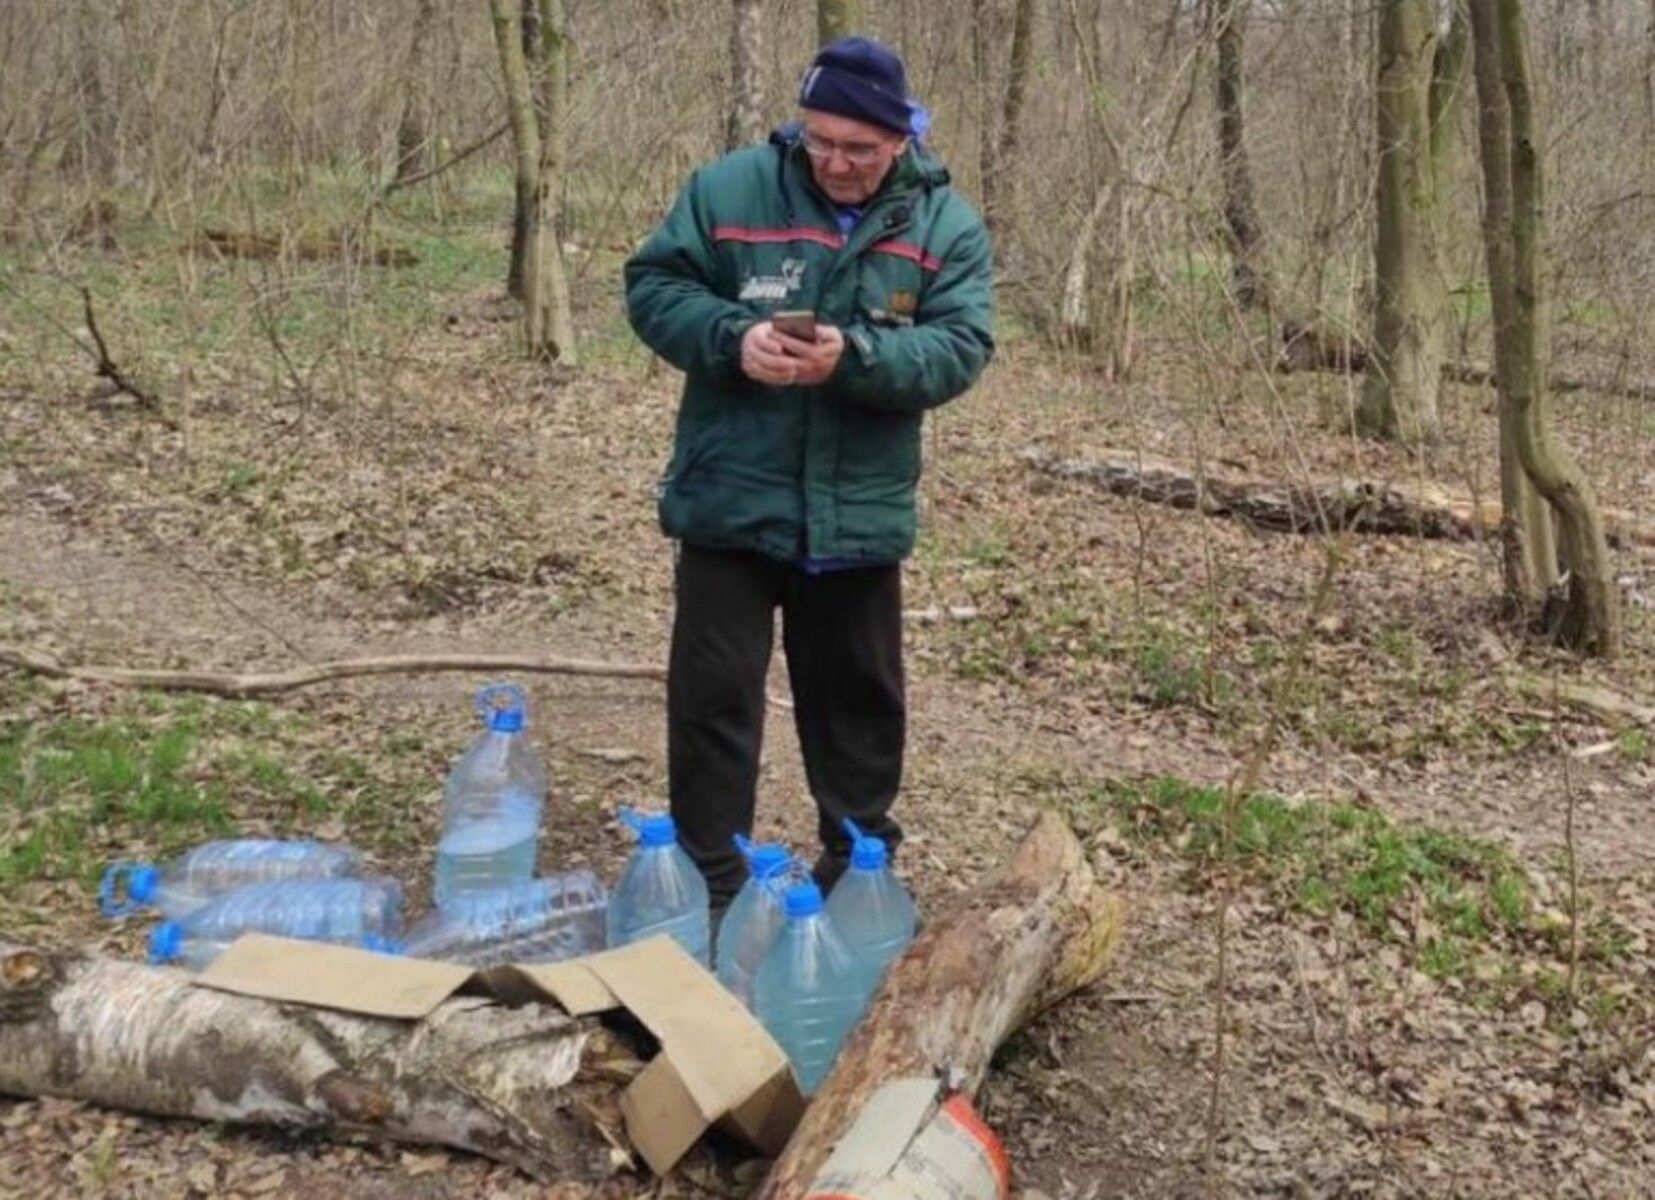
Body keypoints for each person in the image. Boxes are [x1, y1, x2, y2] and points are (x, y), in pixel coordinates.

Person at [624, 35, 994, 909]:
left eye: (858, 148)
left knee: (857, 703)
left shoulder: (943, 225)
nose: (834, 161)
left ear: (901, 138)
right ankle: (710, 883)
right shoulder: (728, 190)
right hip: (728, 497)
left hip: (856, 513)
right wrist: (732, 338)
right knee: (713, 700)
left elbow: (961, 345)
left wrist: (855, 357)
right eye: (819, 139)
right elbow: (653, 287)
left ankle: (855, 877)